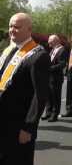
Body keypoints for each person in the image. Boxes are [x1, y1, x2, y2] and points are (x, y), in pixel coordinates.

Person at [0, 13, 50, 165]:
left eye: (17, 27)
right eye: (10, 26)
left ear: (29, 29)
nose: (12, 30)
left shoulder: (38, 55)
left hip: (18, 124)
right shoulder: (8, 50)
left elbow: (40, 95)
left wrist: (29, 127)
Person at [41, 34, 67, 122]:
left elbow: (62, 64)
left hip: (56, 78)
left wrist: (50, 68)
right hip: (49, 77)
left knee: (55, 97)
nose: (49, 45)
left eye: (51, 43)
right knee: (49, 96)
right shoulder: (53, 49)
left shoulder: (62, 50)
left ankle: (55, 114)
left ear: (56, 41)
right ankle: (48, 112)